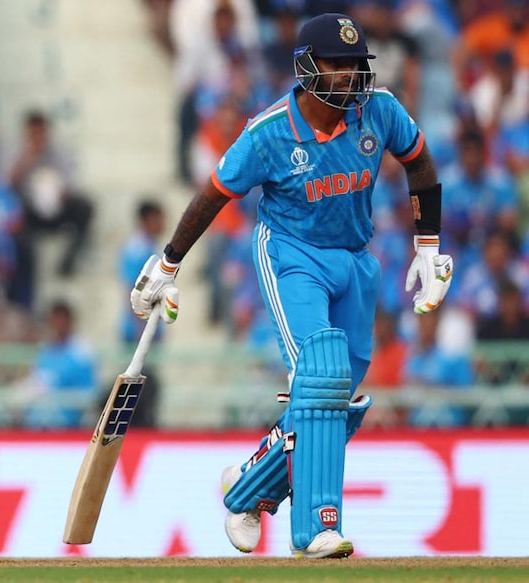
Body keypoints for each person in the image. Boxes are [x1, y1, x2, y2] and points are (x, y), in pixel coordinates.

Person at [129, 13, 453, 558]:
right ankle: (316, 529)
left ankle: (249, 487)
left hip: (355, 258)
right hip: (290, 254)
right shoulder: (268, 133)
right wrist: (168, 263)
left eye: (356, 65)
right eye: (338, 64)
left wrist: (427, 245)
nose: (350, 76)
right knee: (321, 372)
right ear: (306, 68)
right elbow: (213, 195)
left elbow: (419, 163)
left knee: (333, 401)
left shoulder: (380, 111)